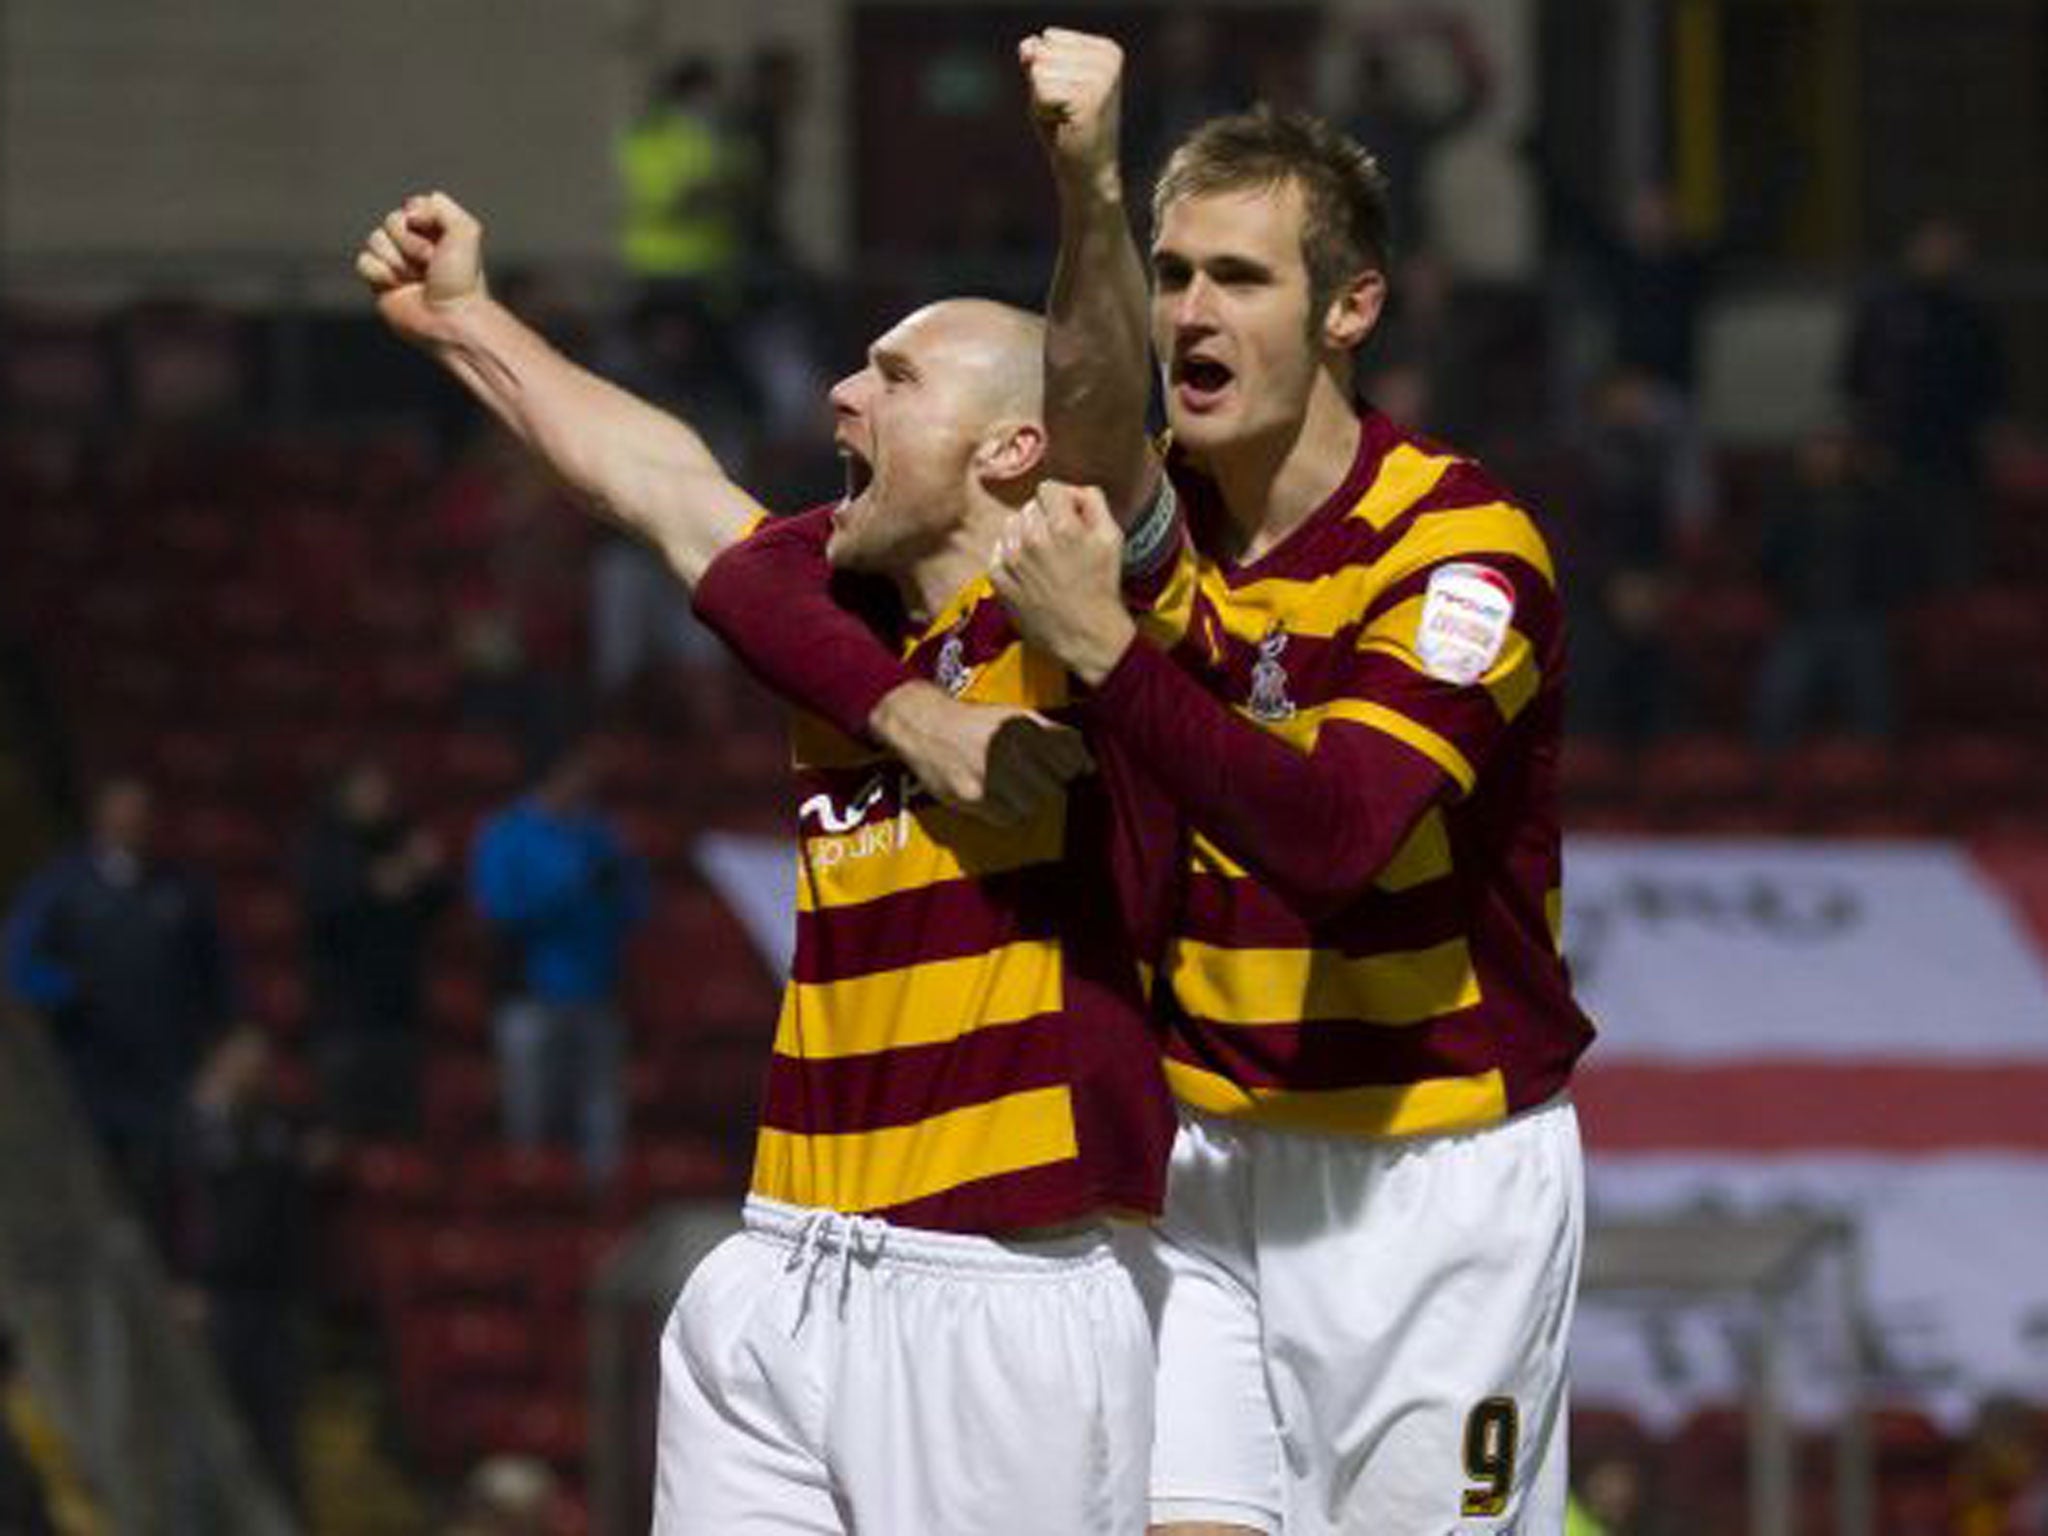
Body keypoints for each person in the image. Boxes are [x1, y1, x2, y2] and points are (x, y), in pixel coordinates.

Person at [355, 193, 1179, 1532]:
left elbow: (1104, 400)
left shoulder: (1088, 613)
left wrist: (1083, 174)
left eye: (895, 378)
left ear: (1017, 444)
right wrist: (466, 321)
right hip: (782, 1263)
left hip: (1000, 1296)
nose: (841, 397)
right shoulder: (843, 615)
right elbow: (663, 484)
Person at [1001, 34, 1593, 1535]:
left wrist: (1110, 659)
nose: (1193, 313)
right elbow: (1080, 404)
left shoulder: (1459, 553)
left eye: (1242, 279)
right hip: (1213, 1163)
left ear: (1351, 308)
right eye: (1176, 271)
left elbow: (1337, 841)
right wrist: (1084, 183)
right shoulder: (1172, 519)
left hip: (1434, 1184)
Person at [2, 775, 232, 1231]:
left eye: (141, 814)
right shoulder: (62, 889)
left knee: (166, 1202)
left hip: (168, 1074)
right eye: (123, 813)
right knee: (95, 1199)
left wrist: (220, 1043)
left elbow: (218, 976)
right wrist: (68, 990)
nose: (133, 823)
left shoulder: (181, 889)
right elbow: (17, 966)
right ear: (101, 819)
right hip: (90, 1074)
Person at [470, 735, 648, 1188]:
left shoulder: (600, 835)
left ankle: (600, 1214)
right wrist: (571, 888)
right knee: (529, 1114)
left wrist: (614, 883)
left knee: (601, 1122)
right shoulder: (507, 834)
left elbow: (637, 906)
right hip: (529, 997)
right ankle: (526, 1205)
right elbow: (497, 910)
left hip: (598, 994)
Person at [299, 757, 452, 1139]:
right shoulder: (325, 845)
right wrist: (385, 880)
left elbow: (440, 900)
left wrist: (424, 872)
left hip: (400, 1015)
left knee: (401, 1137)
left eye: (384, 791)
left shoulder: (402, 839)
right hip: (343, 1017)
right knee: (343, 1135)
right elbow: (330, 905)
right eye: (368, 790)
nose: (379, 799)